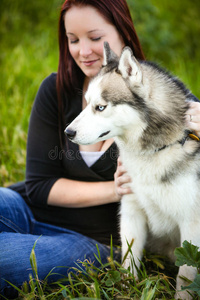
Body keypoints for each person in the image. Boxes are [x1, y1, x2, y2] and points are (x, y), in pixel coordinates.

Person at [0, 0, 199, 297]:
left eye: (95, 37)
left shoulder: (166, 103)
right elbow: (39, 186)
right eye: (73, 40)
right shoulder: (55, 91)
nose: (83, 50)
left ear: (123, 34)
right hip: (29, 208)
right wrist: (115, 189)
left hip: (91, 241)